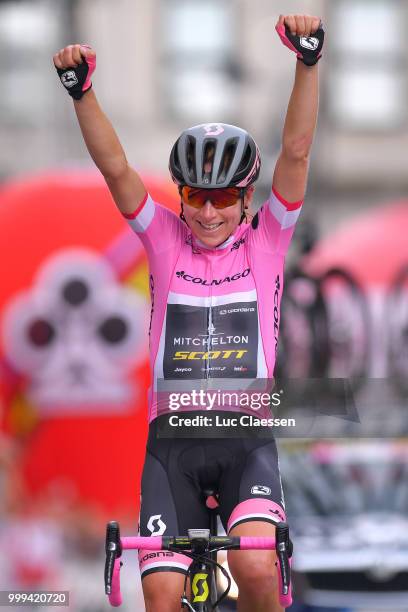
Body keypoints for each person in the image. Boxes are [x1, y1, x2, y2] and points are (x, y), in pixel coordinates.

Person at [54, 13, 324, 611]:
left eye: (224, 197)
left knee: (254, 566)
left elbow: (298, 151)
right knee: (163, 597)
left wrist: (306, 63)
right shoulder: (164, 240)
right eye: (197, 196)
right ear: (181, 196)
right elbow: (117, 170)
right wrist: (83, 94)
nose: (208, 212)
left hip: (245, 441)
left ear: (245, 197)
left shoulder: (268, 242)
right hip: (170, 447)